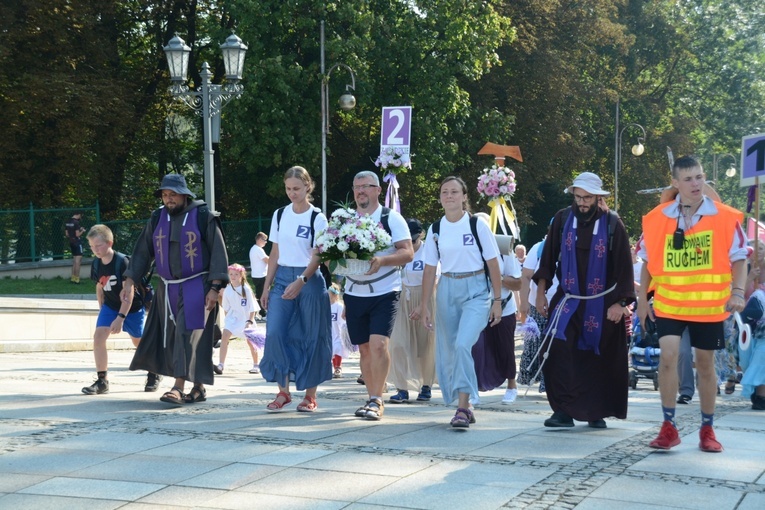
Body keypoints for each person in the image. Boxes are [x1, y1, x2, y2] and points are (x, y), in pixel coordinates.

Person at [637, 155, 747, 452]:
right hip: (670, 302)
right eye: (688, 179)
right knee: (668, 357)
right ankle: (668, 426)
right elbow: (647, 262)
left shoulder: (724, 216)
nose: (696, 183)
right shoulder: (659, 218)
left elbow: (740, 258)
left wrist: (737, 291)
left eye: (699, 177)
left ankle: (707, 429)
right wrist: (642, 301)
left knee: (704, 364)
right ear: (675, 183)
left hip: (709, 306)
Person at [533, 172, 634, 429]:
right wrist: (540, 291)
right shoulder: (562, 219)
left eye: (587, 197)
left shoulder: (613, 224)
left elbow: (625, 267)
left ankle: (594, 411)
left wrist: (621, 304)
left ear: (598, 197)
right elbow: (548, 259)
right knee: (558, 352)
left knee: (597, 357)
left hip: (603, 303)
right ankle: (563, 411)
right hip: (568, 299)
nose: (582, 203)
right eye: (578, 197)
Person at [123, 174, 229, 405]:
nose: (168, 199)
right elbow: (142, 251)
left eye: (172, 195)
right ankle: (198, 388)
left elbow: (219, 253)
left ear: (184, 195)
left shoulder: (204, 217)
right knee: (175, 338)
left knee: (186, 335)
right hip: (167, 288)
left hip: (197, 286)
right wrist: (130, 281)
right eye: (165, 195)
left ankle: (178, 388)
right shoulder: (157, 218)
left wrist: (215, 288)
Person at [413, 176, 503, 428]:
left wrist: (497, 300)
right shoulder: (436, 229)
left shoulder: (477, 225)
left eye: (454, 192)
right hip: (447, 289)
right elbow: (430, 269)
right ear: (440, 197)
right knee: (449, 349)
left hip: (476, 289)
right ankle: (465, 403)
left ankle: (463, 407)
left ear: (464, 197)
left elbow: (493, 263)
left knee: (464, 344)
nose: (449, 196)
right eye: (444, 192)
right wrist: (425, 305)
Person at [259, 166, 332, 413]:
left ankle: (310, 396)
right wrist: (266, 286)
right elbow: (275, 253)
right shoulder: (280, 215)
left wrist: (301, 280)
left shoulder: (317, 217)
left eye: (297, 189)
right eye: (289, 189)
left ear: (308, 187)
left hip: (309, 280)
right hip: (282, 278)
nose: (292, 193)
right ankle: (283, 392)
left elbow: (318, 256)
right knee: (276, 332)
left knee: (312, 335)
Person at [343, 170, 413, 421]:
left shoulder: (391, 218)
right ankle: (371, 396)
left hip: (385, 291)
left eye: (366, 186)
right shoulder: (345, 220)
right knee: (363, 349)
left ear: (377, 190)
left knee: (378, 345)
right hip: (353, 292)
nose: (360, 191)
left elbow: (408, 253)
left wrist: (382, 260)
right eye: (356, 186)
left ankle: (378, 400)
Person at [82, 224, 160, 394]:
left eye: (98, 245)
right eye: (92, 246)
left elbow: (129, 291)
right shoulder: (96, 264)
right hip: (110, 306)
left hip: (132, 308)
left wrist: (120, 318)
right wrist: (103, 309)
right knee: (98, 337)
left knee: (139, 342)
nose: (95, 249)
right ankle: (102, 381)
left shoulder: (122, 262)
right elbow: (99, 287)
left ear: (110, 243)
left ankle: (154, 372)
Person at [471, 213, 522, 404]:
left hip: (504, 306)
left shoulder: (503, 250)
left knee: (505, 347)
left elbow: (517, 283)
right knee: (475, 347)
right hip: (477, 306)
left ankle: (511, 385)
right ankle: (473, 388)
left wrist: (496, 278)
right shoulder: (469, 250)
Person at [388, 218, 437, 404]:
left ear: (421, 235)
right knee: (398, 343)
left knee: (425, 345)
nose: (411, 244)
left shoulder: (428, 251)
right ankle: (401, 388)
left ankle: (426, 385)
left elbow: (434, 278)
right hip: (402, 297)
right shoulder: (398, 251)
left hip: (425, 297)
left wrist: (422, 305)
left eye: (414, 241)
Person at [214, 263, 259, 375]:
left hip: (246, 319)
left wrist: (250, 321)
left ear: (241, 275)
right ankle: (221, 365)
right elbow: (226, 307)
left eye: (236, 274)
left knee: (251, 342)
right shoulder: (228, 289)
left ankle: (256, 365)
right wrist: (228, 320)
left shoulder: (246, 289)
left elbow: (253, 307)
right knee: (224, 337)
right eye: (231, 274)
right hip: (233, 319)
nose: (233, 276)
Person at [739, 286, 765, 410]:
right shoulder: (759, 295)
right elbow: (747, 314)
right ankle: (760, 395)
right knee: (760, 364)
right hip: (760, 337)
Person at [329, 283, 349, 378]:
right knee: (331, 350)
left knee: (337, 348)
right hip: (329, 332)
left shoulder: (338, 306)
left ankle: (338, 367)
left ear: (334, 295)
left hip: (337, 331)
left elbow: (341, 321)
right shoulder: (325, 306)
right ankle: (332, 367)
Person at [249, 232, 269, 321]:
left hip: (257, 275)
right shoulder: (258, 249)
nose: (266, 242)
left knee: (259, 294)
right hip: (260, 276)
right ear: (259, 239)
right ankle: (263, 314)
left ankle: (258, 313)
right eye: (264, 240)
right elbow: (267, 260)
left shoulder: (254, 249)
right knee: (262, 295)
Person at [65, 212, 86, 284]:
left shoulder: (68, 221)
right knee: (78, 261)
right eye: (80, 216)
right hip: (77, 242)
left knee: (74, 261)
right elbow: (77, 234)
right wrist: (82, 231)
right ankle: (77, 279)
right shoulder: (76, 222)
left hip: (71, 242)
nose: (80, 218)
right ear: (78, 214)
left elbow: (67, 234)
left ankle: (73, 278)